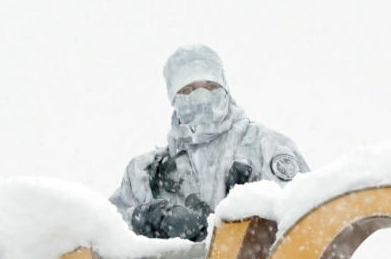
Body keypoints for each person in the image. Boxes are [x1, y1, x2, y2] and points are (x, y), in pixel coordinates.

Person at [111, 44, 308, 242]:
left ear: (225, 88)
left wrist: (249, 216)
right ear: (173, 98)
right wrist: (147, 218)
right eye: (187, 90)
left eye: (210, 86)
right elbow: (105, 232)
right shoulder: (146, 173)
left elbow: (305, 216)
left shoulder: (264, 146)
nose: (200, 96)